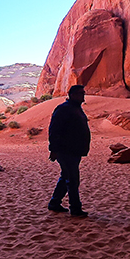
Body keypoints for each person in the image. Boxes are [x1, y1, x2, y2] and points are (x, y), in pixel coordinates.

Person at [47, 84, 90, 218]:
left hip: (75, 150)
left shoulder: (76, 108)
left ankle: (54, 203)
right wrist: (53, 149)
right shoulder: (63, 109)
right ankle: (75, 208)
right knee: (73, 179)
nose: (82, 96)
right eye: (80, 93)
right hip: (66, 150)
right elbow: (54, 130)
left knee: (66, 176)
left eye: (83, 93)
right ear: (72, 95)